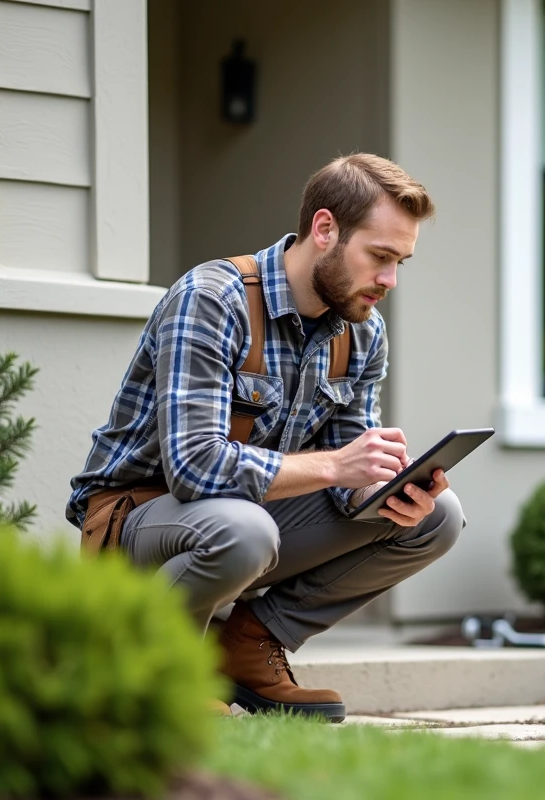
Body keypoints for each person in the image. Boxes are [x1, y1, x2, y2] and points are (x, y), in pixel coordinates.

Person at [66, 154, 464, 721]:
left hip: (244, 518)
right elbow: (194, 468)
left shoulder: (361, 332)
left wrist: (390, 491)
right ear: (325, 229)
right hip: (137, 521)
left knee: (437, 517)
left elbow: (348, 472)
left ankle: (247, 648)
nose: (389, 280)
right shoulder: (211, 299)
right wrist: (334, 468)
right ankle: (155, 670)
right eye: (379, 256)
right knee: (243, 529)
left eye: (400, 262)